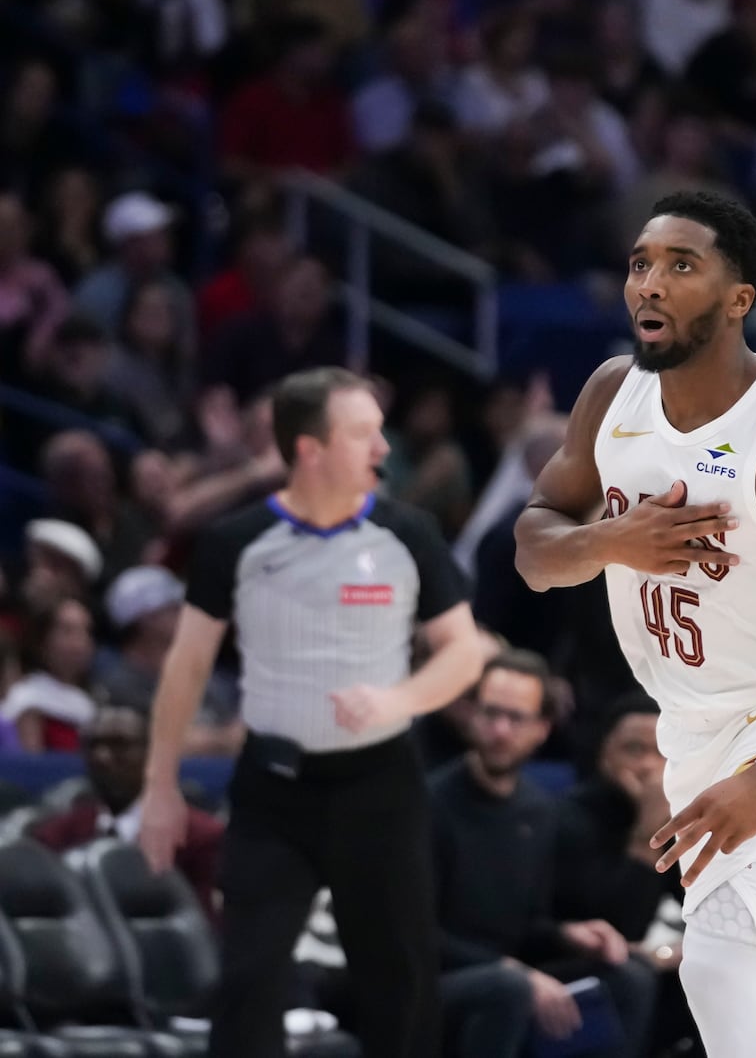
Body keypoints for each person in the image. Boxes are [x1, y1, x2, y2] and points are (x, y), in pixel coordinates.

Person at [514, 190, 756, 1057]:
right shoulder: (611, 394)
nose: (649, 284)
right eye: (640, 264)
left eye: (680, 266)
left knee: (719, 966)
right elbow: (534, 551)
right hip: (693, 728)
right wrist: (610, 540)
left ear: (740, 299)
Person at [137, 366, 485, 1058]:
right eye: (363, 432)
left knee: (400, 982)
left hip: (380, 787)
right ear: (309, 449)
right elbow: (187, 664)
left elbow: (464, 652)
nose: (383, 447)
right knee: (249, 980)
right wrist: (160, 785)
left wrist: (398, 698)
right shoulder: (235, 541)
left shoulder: (408, 533)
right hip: (274, 792)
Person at [433, 650, 657, 1058]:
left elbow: (526, 924)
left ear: (542, 729)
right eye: (490, 713)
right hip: (439, 977)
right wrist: (512, 970)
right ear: (470, 715)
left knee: (631, 975)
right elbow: (414, 932)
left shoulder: (538, 809)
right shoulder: (430, 804)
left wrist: (569, 934)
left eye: (516, 719)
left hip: (508, 970)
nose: (500, 731)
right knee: (509, 989)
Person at [29, 706, 224, 922]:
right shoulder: (54, 838)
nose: (102, 756)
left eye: (120, 745)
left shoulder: (199, 837)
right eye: (93, 745)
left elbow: (205, 931)